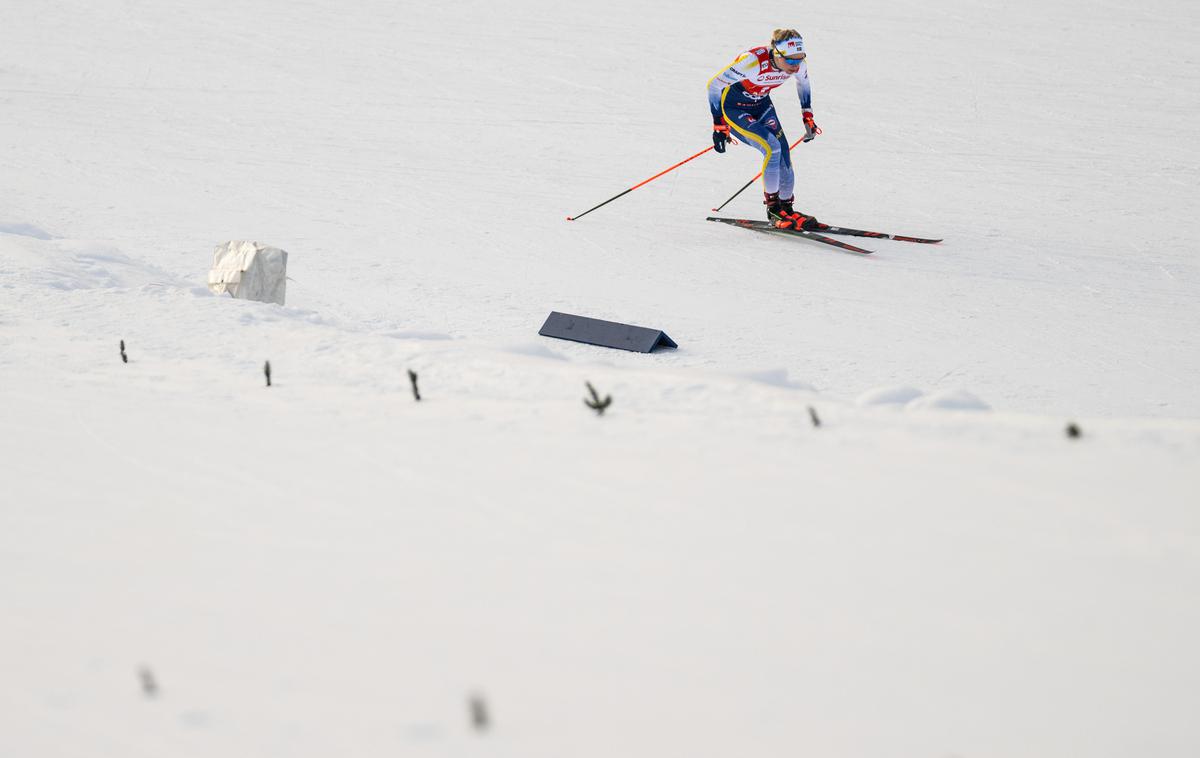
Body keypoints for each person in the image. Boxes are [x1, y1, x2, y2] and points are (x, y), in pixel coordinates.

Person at [707, 29, 823, 230]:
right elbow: (714, 85)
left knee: (783, 151)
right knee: (772, 148)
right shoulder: (752, 63)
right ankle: (773, 209)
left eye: (799, 60)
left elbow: (803, 84)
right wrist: (719, 125)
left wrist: (808, 116)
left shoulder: (796, 63)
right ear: (777, 54)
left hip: (761, 105)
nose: (796, 67)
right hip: (733, 108)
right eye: (791, 62)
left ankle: (786, 208)